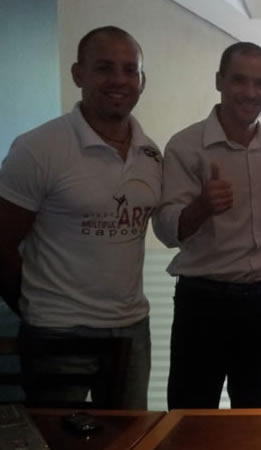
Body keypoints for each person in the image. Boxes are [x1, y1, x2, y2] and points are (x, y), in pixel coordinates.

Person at [0, 26, 159, 409]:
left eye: (130, 70)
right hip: (58, 331)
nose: (119, 80)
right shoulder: (39, 148)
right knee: (58, 436)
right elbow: (1, 243)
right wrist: (36, 306)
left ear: (141, 80)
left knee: (129, 436)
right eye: (104, 68)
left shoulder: (150, 154)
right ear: (78, 74)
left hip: (130, 330)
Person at [153, 42, 261, 409]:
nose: (251, 92)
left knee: (256, 415)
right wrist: (201, 207)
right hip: (204, 303)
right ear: (219, 81)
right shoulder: (186, 146)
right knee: (191, 416)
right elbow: (165, 232)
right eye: (239, 80)